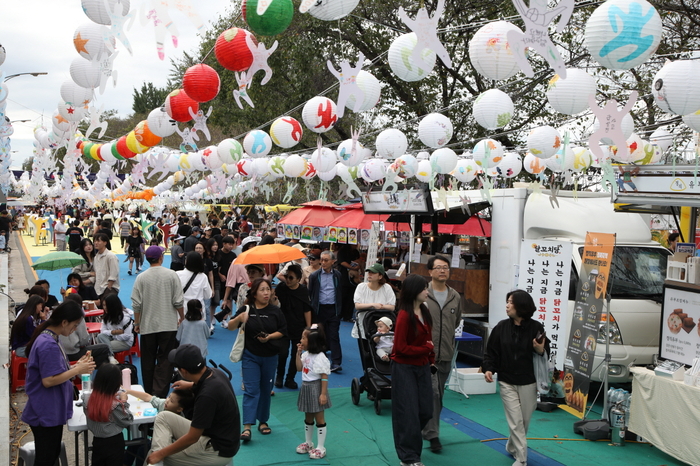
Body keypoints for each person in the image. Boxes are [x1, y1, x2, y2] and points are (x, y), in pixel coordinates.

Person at [21, 300, 96, 466]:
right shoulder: (48, 344)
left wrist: (77, 366)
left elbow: (57, 370)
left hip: (50, 410)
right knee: (46, 458)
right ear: (64, 322)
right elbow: (48, 380)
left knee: (51, 454)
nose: (75, 329)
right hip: (45, 410)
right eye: (75, 325)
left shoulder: (52, 338)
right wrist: (77, 370)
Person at [482, 289, 548, 466]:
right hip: (506, 380)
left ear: (521, 306)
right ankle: (522, 457)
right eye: (507, 301)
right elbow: (491, 353)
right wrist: (489, 369)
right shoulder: (501, 327)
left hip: (529, 381)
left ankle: (511, 446)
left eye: (511, 302)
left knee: (524, 420)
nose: (507, 305)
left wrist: (539, 349)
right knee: (515, 419)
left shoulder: (536, 328)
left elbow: (545, 353)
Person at [145, 344, 240, 466]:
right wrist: (190, 385)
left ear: (183, 371)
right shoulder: (216, 373)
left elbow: (193, 437)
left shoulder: (207, 396)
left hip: (217, 449)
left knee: (155, 457)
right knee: (163, 417)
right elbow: (206, 385)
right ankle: (158, 451)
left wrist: (161, 454)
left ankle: (157, 454)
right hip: (223, 437)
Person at [228, 278, 287, 442]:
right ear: (254, 293)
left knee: (265, 390)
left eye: (268, 289)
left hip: (270, 357)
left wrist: (269, 337)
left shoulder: (276, 311)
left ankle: (263, 421)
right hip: (250, 356)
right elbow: (231, 326)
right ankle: (247, 427)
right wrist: (239, 319)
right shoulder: (246, 309)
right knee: (251, 390)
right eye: (262, 290)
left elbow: (283, 330)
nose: (266, 293)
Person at [391, 274, 434, 466]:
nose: (427, 291)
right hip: (404, 368)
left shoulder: (424, 311)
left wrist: (430, 358)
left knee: (425, 410)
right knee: (407, 412)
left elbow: (428, 340)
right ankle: (409, 457)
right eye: (424, 288)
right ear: (414, 291)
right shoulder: (403, 316)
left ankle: (409, 447)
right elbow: (400, 348)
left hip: (422, 366)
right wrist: (426, 350)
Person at [422, 255, 464, 452]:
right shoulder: (422, 294)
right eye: (438, 267)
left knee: (437, 395)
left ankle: (427, 428)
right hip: (423, 354)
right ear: (430, 271)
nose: (442, 271)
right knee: (432, 393)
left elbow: (456, 323)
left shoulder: (455, 296)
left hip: (445, 353)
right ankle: (432, 434)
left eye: (445, 268)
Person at [132, 245, 185, 397]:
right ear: (161, 257)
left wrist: (137, 323)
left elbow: (136, 304)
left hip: (147, 325)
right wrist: (181, 317)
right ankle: (160, 393)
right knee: (166, 360)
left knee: (147, 361)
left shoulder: (141, 277)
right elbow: (178, 301)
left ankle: (149, 391)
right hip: (168, 324)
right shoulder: (171, 275)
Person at [122, 388, 195, 466]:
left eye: (171, 401)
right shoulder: (163, 404)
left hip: (166, 448)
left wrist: (150, 432)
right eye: (169, 397)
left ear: (179, 409)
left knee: (142, 450)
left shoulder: (178, 422)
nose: (167, 400)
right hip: (155, 440)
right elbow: (148, 397)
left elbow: (168, 440)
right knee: (135, 443)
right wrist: (128, 391)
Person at [83, 364, 134, 466]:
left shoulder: (87, 399)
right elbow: (128, 420)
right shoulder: (115, 405)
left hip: (97, 441)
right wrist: (123, 401)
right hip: (114, 443)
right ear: (116, 384)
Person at [294, 324, 331, 459]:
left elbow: (324, 376)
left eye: (304, 338)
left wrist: (322, 394)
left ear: (312, 342)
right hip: (306, 387)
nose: (301, 340)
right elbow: (299, 368)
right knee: (308, 416)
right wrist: (298, 353)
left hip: (316, 388)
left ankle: (321, 447)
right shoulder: (306, 354)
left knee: (319, 418)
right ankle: (308, 442)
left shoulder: (320, 357)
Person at [274, 264, 313, 389]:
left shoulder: (303, 291)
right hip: (283, 327)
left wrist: (308, 328)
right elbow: (274, 306)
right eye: (286, 277)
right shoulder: (280, 288)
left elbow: (307, 310)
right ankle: (279, 376)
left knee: (297, 353)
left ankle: (290, 378)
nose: (288, 280)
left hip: (299, 328)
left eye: (291, 278)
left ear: (298, 279)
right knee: (282, 353)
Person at [308, 251, 344, 372]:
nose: (323, 262)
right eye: (322, 260)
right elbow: (311, 293)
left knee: (334, 335)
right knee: (319, 335)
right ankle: (318, 360)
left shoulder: (338, 275)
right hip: (319, 309)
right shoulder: (314, 276)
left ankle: (336, 362)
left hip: (333, 308)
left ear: (333, 261)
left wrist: (340, 309)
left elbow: (340, 291)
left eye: (326, 260)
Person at [352, 263, 396, 335]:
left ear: (380, 276)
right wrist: (373, 305)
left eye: (373, 273)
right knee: (364, 344)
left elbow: (392, 307)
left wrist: (381, 306)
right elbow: (357, 305)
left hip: (382, 325)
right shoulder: (361, 287)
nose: (370, 274)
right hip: (364, 324)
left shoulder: (387, 288)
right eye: (369, 272)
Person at [177, 251, 212, 322]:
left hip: (182, 310)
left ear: (186, 261)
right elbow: (208, 295)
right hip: (198, 311)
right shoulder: (203, 277)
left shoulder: (177, 274)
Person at [93, 233, 120, 298]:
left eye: (98, 241)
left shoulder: (111, 256)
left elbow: (114, 273)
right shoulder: (96, 257)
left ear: (105, 243)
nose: (96, 243)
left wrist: (109, 287)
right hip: (98, 289)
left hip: (109, 288)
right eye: (95, 241)